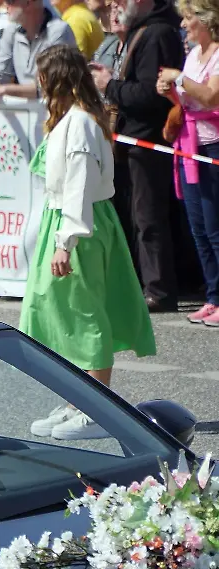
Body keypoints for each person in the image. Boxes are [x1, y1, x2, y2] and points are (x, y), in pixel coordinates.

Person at [23, 45, 155, 441]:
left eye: (43, 75)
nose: (39, 83)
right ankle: (76, 403)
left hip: (78, 225)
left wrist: (67, 240)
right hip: (65, 222)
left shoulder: (79, 122)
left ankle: (96, 408)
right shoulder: (72, 119)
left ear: (55, 78)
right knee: (59, 312)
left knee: (84, 315)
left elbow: (79, 185)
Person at [89, 0, 184, 313]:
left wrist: (110, 86)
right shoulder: (141, 31)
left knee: (149, 217)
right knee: (135, 217)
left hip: (147, 138)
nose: (115, 2)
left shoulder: (156, 33)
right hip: (132, 139)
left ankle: (159, 289)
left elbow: (149, 95)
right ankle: (141, 283)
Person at [156, 0, 219, 327]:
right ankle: (213, 295)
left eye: (188, 18)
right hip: (190, 143)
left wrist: (179, 77)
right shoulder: (194, 55)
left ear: (206, 20)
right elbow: (189, 98)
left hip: (212, 146)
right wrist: (170, 92)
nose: (183, 25)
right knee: (197, 226)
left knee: (215, 225)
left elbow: (210, 97)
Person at [0, 0, 76, 113]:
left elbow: (47, 87)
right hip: (30, 114)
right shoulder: (11, 31)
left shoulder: (59, 31)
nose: (5, 5)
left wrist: (3, 90)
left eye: (10, 1)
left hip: (60, 113)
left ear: (28, 3)